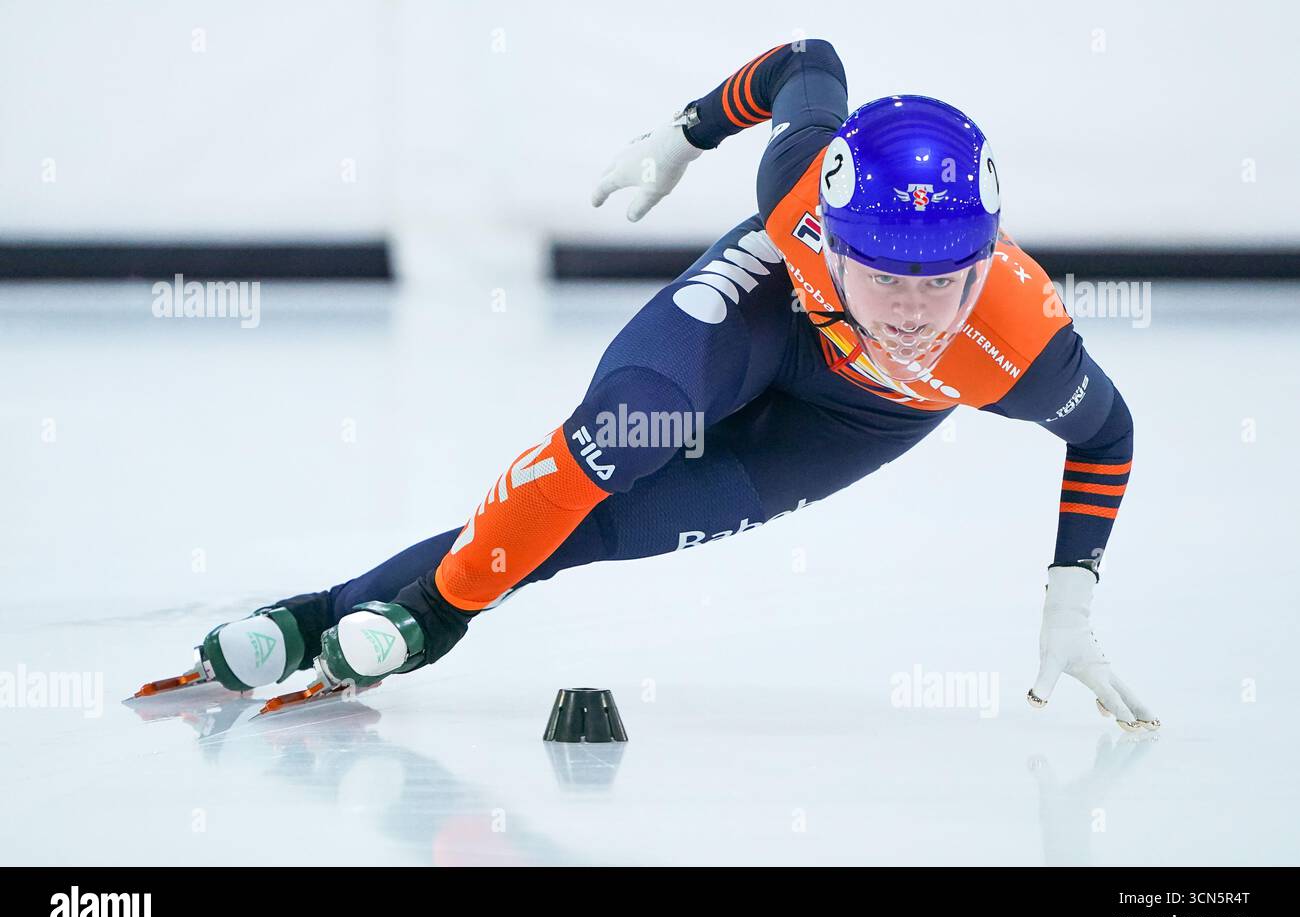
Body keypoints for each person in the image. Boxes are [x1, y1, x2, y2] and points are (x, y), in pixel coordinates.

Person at [145, 40, 1157, 731]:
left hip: (860, 417)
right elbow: (810, 63)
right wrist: (688, 132)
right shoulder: (799, 182)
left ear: (985, 266)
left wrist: (1072, 591)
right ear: (829, 235)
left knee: (601, 529)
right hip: (769, 308)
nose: (910, 309)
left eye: (944, 283)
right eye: (885, 274)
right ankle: (387, 616)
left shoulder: (1021, 346)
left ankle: (368, 613)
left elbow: (1104, 436)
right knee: (611, 442)